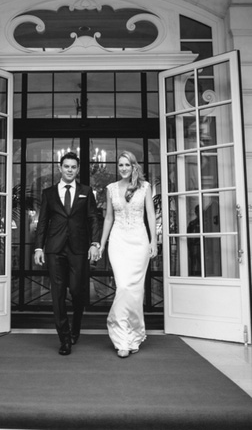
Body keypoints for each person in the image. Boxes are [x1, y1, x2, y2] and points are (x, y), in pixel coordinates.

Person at [34, 152, 101, 356]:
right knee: (58, 293)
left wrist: (94, 243)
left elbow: (93, 218)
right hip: (55, 249)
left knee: (77, 291)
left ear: (78, 169)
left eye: (73, 167)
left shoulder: (86, 191)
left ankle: (76, 327)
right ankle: (64, 338)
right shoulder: (49, 193)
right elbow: (43, 222)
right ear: (60, 168)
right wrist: (39, 247)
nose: (70, 170)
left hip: (79, 249)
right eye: (66, 166)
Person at [98, 151, 157, 358]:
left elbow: (151, 214)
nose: (123, 168)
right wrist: (102, 244)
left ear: (134, 167)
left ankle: (133, 336)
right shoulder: (111, 189)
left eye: (127, 165)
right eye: (120, 165)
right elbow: (108, 218)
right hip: (118, 241)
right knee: (123, 286)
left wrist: (153, 241)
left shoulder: (145, 187)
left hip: (139, 242)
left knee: (135, 290)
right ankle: (121, 337)